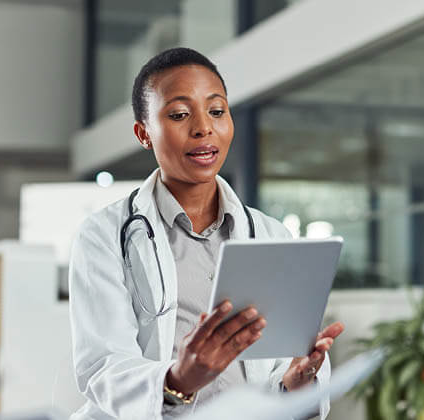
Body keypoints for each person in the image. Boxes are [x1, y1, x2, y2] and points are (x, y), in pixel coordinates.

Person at [68, 47, 344, 419]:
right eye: (180, 114)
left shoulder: (269, 233)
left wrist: (295, 384)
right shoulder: (103, 235)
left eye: (217, 111)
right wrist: (180, 378)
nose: (203, 128)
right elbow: (101, 367)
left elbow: (280, 367)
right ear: (143, 133)